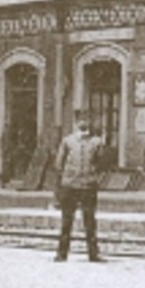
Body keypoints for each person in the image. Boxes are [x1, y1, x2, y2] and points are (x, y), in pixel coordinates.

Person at [54, 111, 106, 262]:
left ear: (90, 122)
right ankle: (61, 253)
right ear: (76, 123)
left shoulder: (96, 142)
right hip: (70, 186)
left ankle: (93, 254)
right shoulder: (67, 141)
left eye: (86, 119)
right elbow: (58, 163)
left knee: (90, 221)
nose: (84, 122)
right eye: (81, 120)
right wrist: (64, 180)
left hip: (88, 186)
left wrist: (95, 177)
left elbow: (102, 163)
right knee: (66, 221)